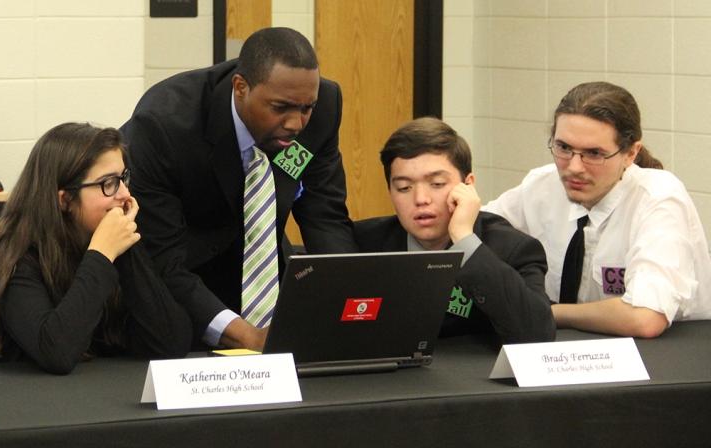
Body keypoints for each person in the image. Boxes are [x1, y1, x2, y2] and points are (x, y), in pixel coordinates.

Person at [121, 27, 357, 350]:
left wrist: (350, 304)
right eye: (281, 108)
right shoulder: (164, 125)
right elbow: (163, 261)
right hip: (183, 301)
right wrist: (250, 337)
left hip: (265, 283)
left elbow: (326, 218)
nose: (296, 123)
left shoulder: (324, 108)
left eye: (306, 108)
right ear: (241, 88)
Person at [0, 123, 192, 375]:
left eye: (123, 178)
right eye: (108, 183)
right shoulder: (13, 255)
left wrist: (125, 248)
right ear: (64, 199)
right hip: (20, 403)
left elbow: (172, 344)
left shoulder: (110, 238)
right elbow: (56, 352)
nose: (124, 193)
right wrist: (102, 254)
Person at [484, 81, 711, 338]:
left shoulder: (658, 198)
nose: (574, 167)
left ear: (630, 154)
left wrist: (539, 312)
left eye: (594, 153)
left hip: (664, 360)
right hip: (571, 352)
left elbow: (645, 317)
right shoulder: (543, 185)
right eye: (564, 148)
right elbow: (477, 227)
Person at [353, 118, 555, 344]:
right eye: (404, 188)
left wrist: (464, 239)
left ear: (467, 185)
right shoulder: (362, 243)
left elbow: (537, 335)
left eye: (437, 184)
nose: (421, 199)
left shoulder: (512, 249)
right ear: (391, 193)